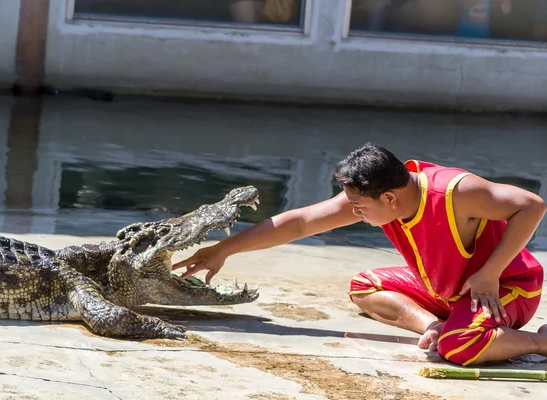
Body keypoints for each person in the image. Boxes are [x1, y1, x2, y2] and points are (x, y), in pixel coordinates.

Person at [172, 143, 547, 366]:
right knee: (364, 285)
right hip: (444, 289)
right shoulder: (385, 193)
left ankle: (538, 342)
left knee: (457, 347)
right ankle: (433, 326)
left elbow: (531, 205)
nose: (353, 211)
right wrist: (223, 249)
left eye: (358, 205)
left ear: (389, 198)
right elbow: (301, 222)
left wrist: (490, 273)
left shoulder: (454, 192)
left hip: (502, 288)